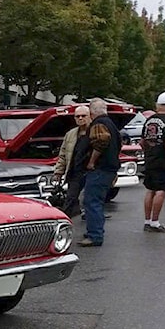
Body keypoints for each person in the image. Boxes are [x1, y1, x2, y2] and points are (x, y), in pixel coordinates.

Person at [77, 99, 122, 247]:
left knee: (92, 201)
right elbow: (118, 144)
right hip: (109, 168)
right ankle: (94, 231)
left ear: (92, 112)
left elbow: (101, 141)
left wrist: (91, 161)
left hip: (100, 169)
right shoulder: (112, 124)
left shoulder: (99, 124)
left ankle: (94, 235)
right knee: (97, 201)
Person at [140, 92, 165, 232]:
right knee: (161, 190)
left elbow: (142, 141)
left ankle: (147, 221)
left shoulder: (149, 120)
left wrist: (149, 152)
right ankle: (155, 222)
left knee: (150, 189)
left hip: (150, 159)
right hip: (163, 160)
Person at [52, 105, 91, 217]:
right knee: (70, 198)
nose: (80, 118)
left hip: (91, 172)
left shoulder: (95, 132)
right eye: (77, 116)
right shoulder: (70, 134)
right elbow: (63, 154)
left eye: (83, 116)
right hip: (74, 172)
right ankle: (66, 219)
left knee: (90, 199)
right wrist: (58, 171)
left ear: (89, 116)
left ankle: (89, 219)